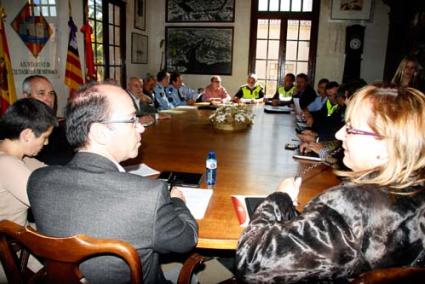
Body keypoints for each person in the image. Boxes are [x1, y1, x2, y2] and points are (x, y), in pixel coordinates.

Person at [236, 86, 425, 283]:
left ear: (388, 145)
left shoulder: (349, 206)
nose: (339, 134)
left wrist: (280, 198)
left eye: (351, 129)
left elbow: (250, 261)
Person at [27, 82, 198, 283]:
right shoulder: (148, 196)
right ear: (99, 132)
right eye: (132, 120)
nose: (141, 127)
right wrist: (177, 201)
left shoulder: (38, 181)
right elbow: (186, 240)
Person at [0, 98, 57, 225]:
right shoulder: (6, 164)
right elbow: (49, 202)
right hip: (12, 241)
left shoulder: (16, 156)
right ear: (27, 136)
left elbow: (52, 173)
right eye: (45, 137)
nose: (46, 143)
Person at [22, 75, 74, 165]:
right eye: (41, 93)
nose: (49, 99)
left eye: (51, 93)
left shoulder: (62, 128)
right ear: (26, 96)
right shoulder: (16, 127)